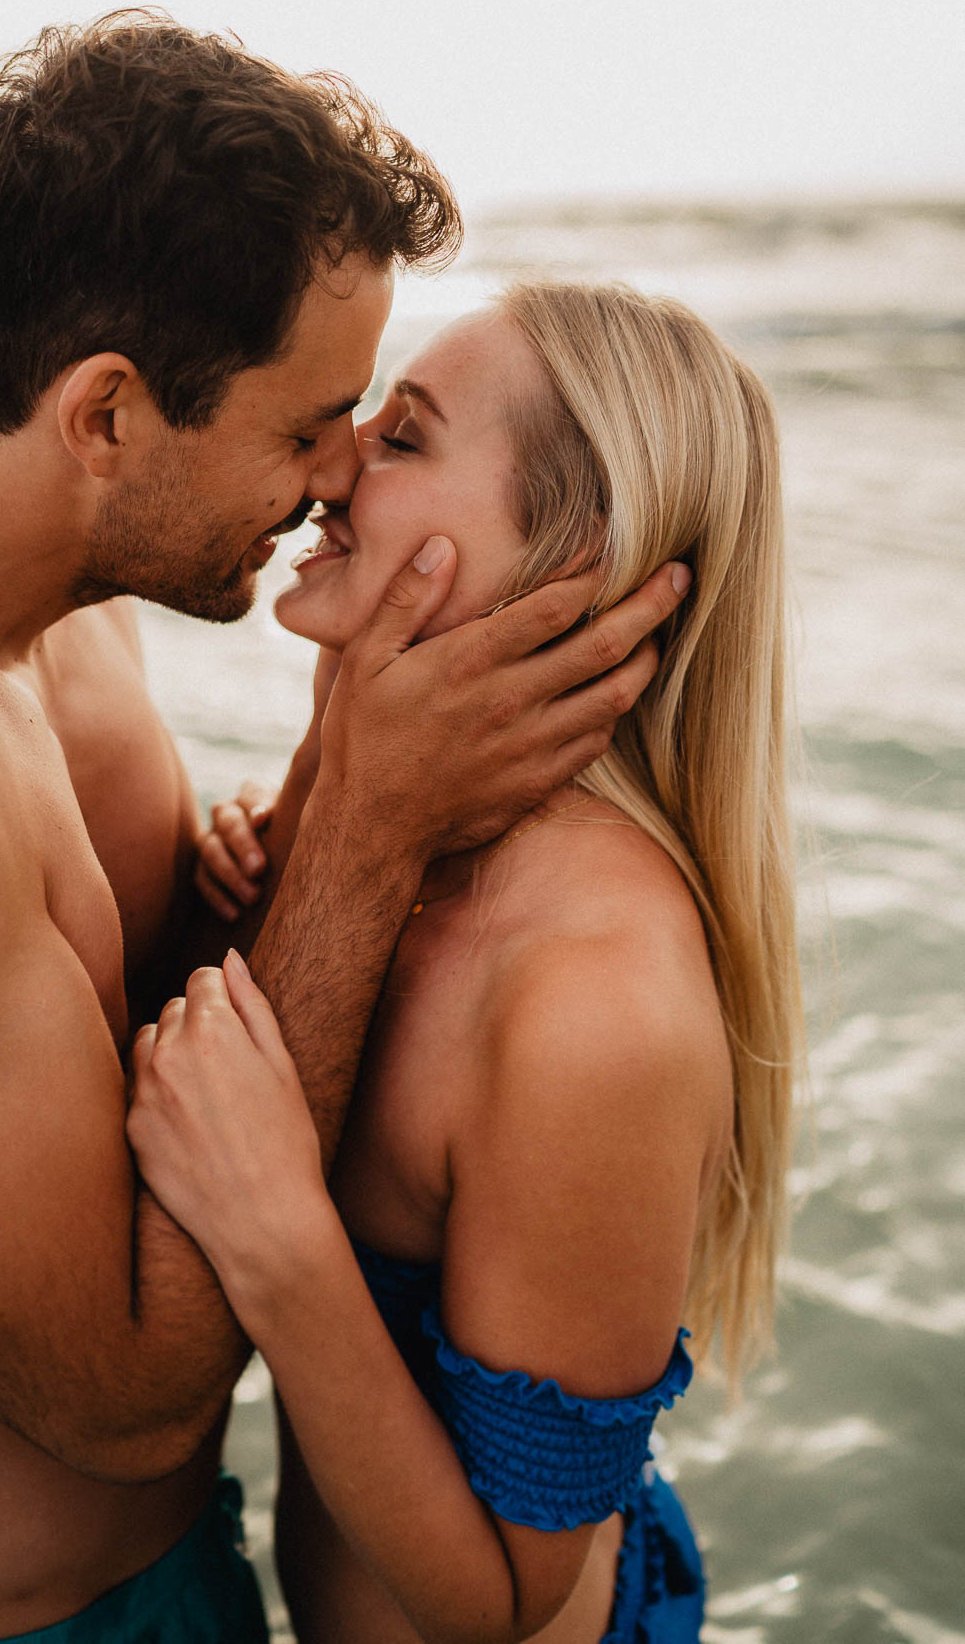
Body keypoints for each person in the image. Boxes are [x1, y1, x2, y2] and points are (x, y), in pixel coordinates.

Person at [0, 16, 687, 1644]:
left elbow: (162, 1085)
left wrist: (290, 840)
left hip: (190, 1578)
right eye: (308, 423)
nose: (339, 474)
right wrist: (359, 828)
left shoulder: (70, 621)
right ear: (105, 416)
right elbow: (127, 1392)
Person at [129, 278, 805, 1644]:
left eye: (403, 438)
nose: (330, 468)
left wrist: (278, 1237)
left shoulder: (587, 1000)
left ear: (573, 558)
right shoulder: (380, 826)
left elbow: (503, 1602)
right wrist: (252, 884)